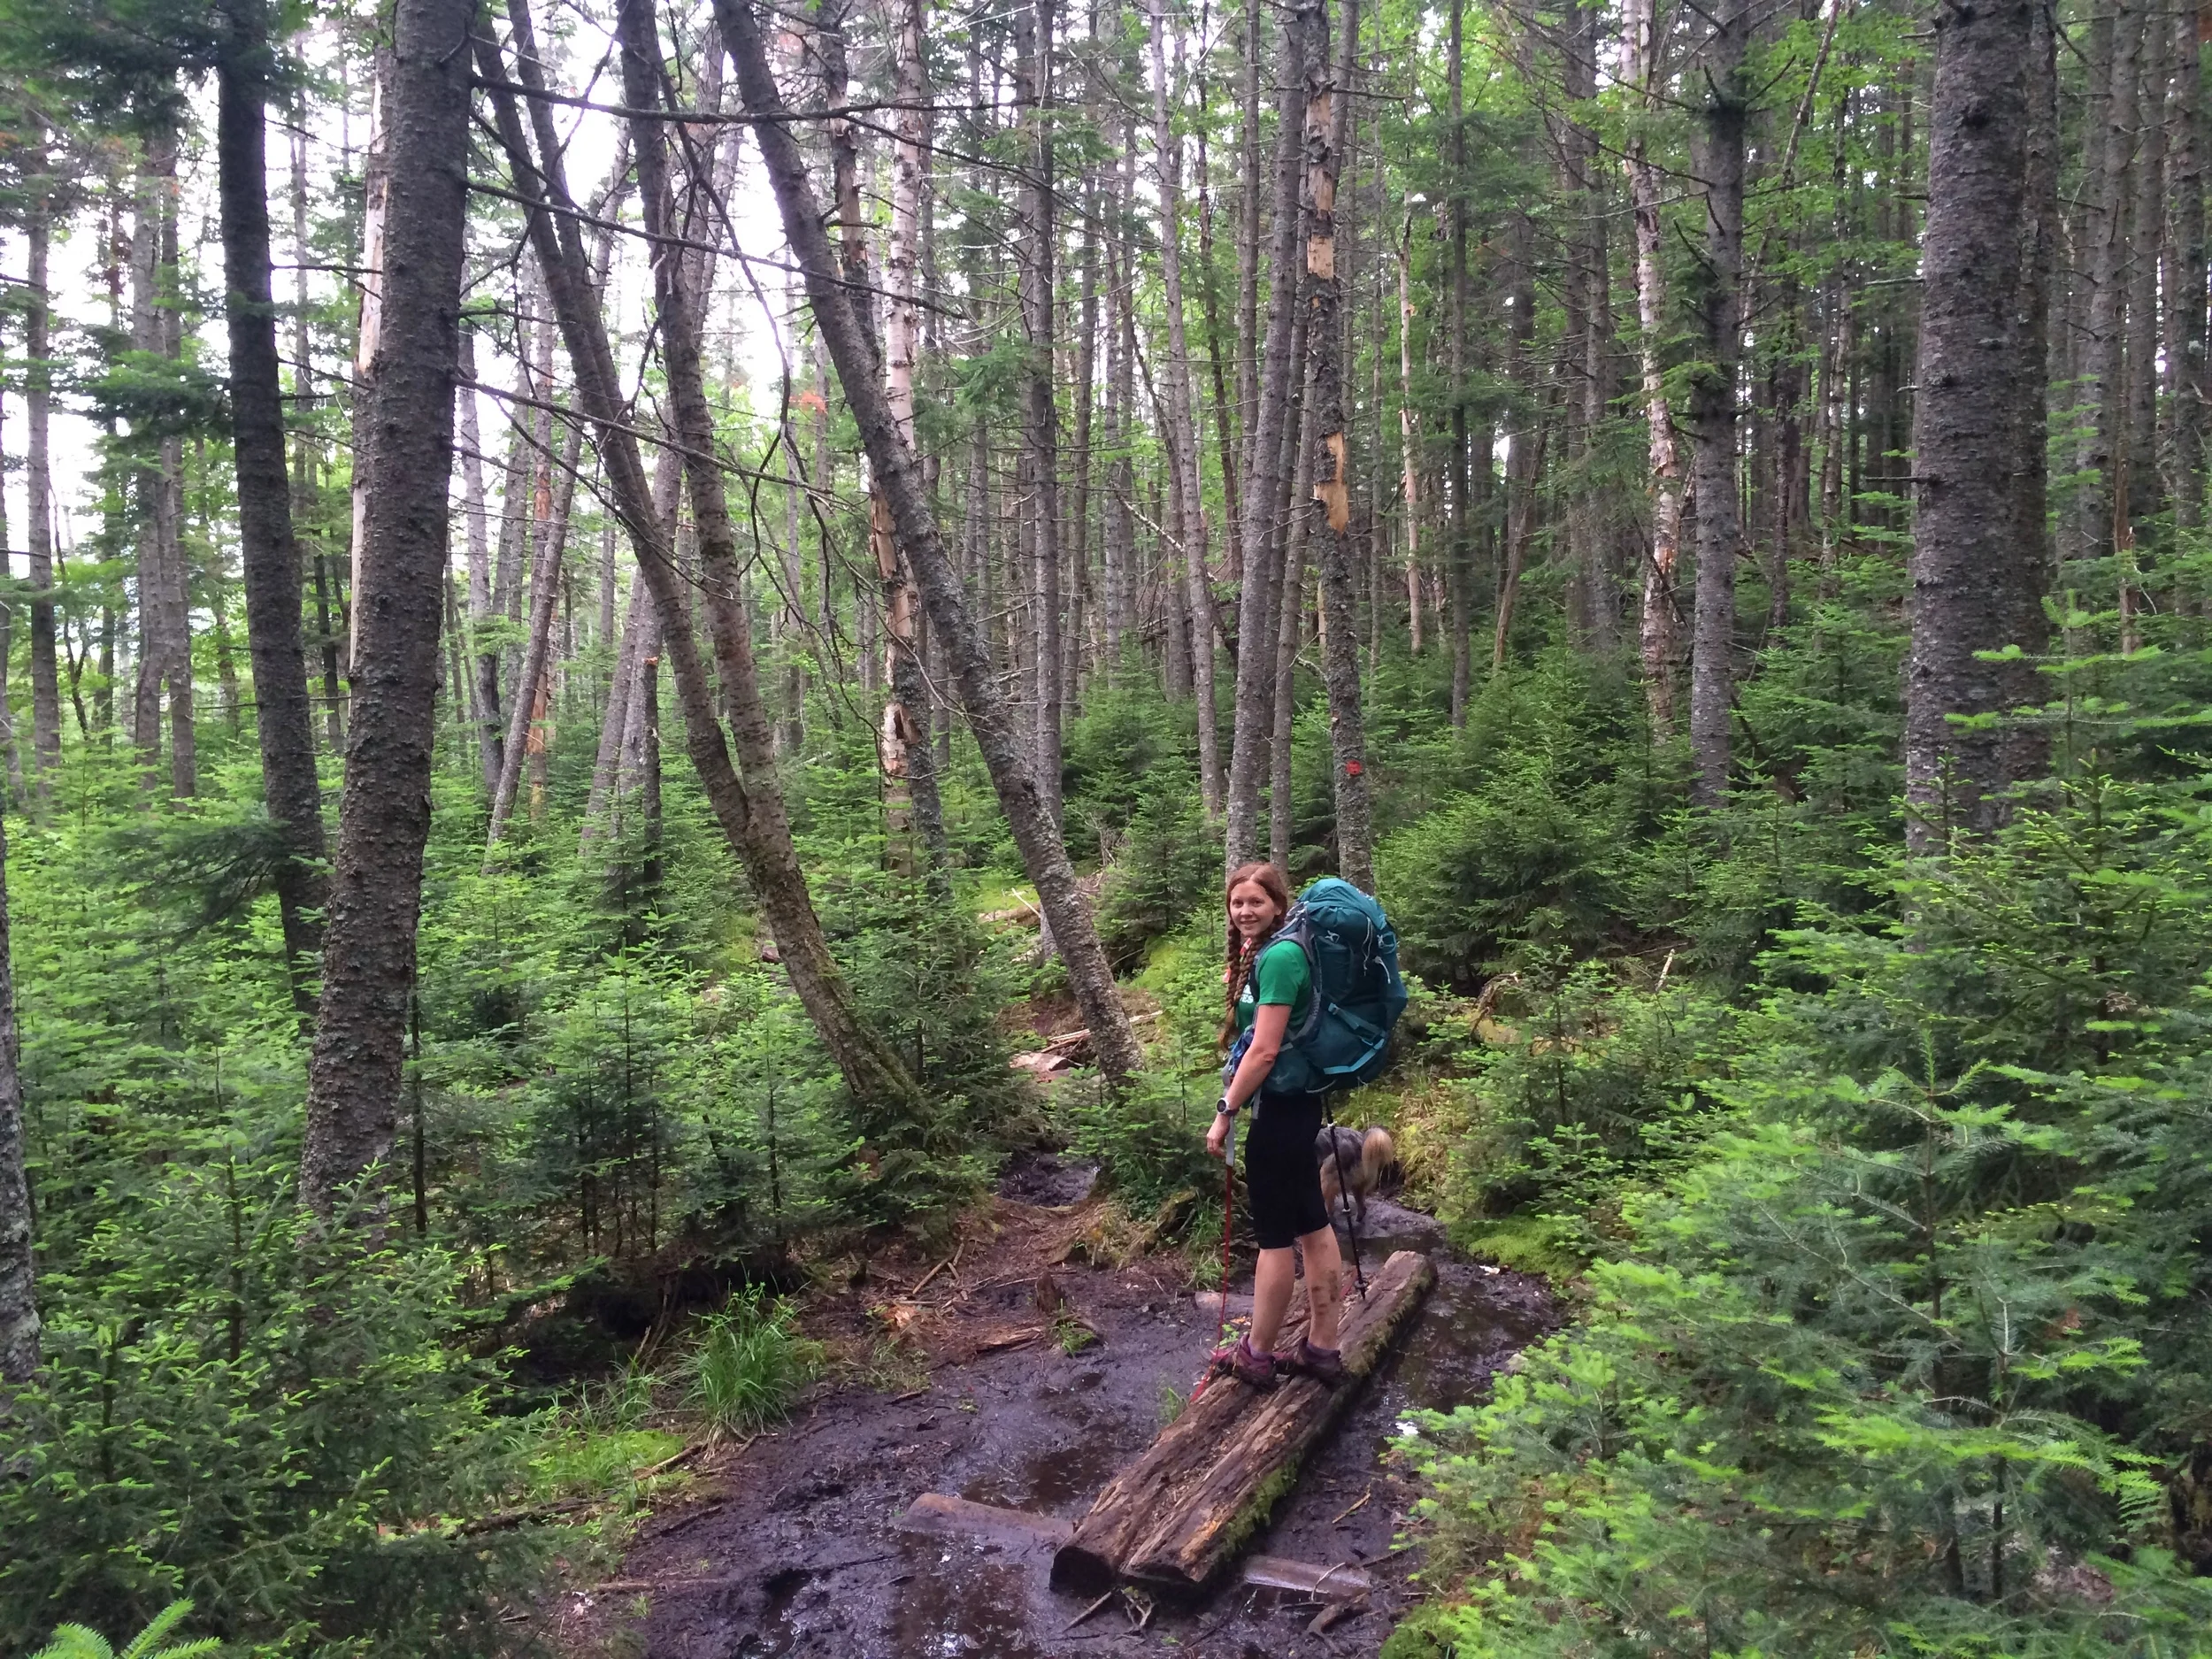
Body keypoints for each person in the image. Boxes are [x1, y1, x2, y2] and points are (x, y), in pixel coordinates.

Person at [1203, 862, 1346, 1390]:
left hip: (1280, 1109)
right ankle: (1321, 1349)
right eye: (1237, 903)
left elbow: (1263, 1052)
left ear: (1279, 906)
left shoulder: (1282, 956)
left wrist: (1225, 1112)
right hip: (1295, 1103)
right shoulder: (1271, 951)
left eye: (1255, 903)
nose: (1244, 912)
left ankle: (1257, 1355)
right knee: (1311, 1220)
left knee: (1273, 1237)